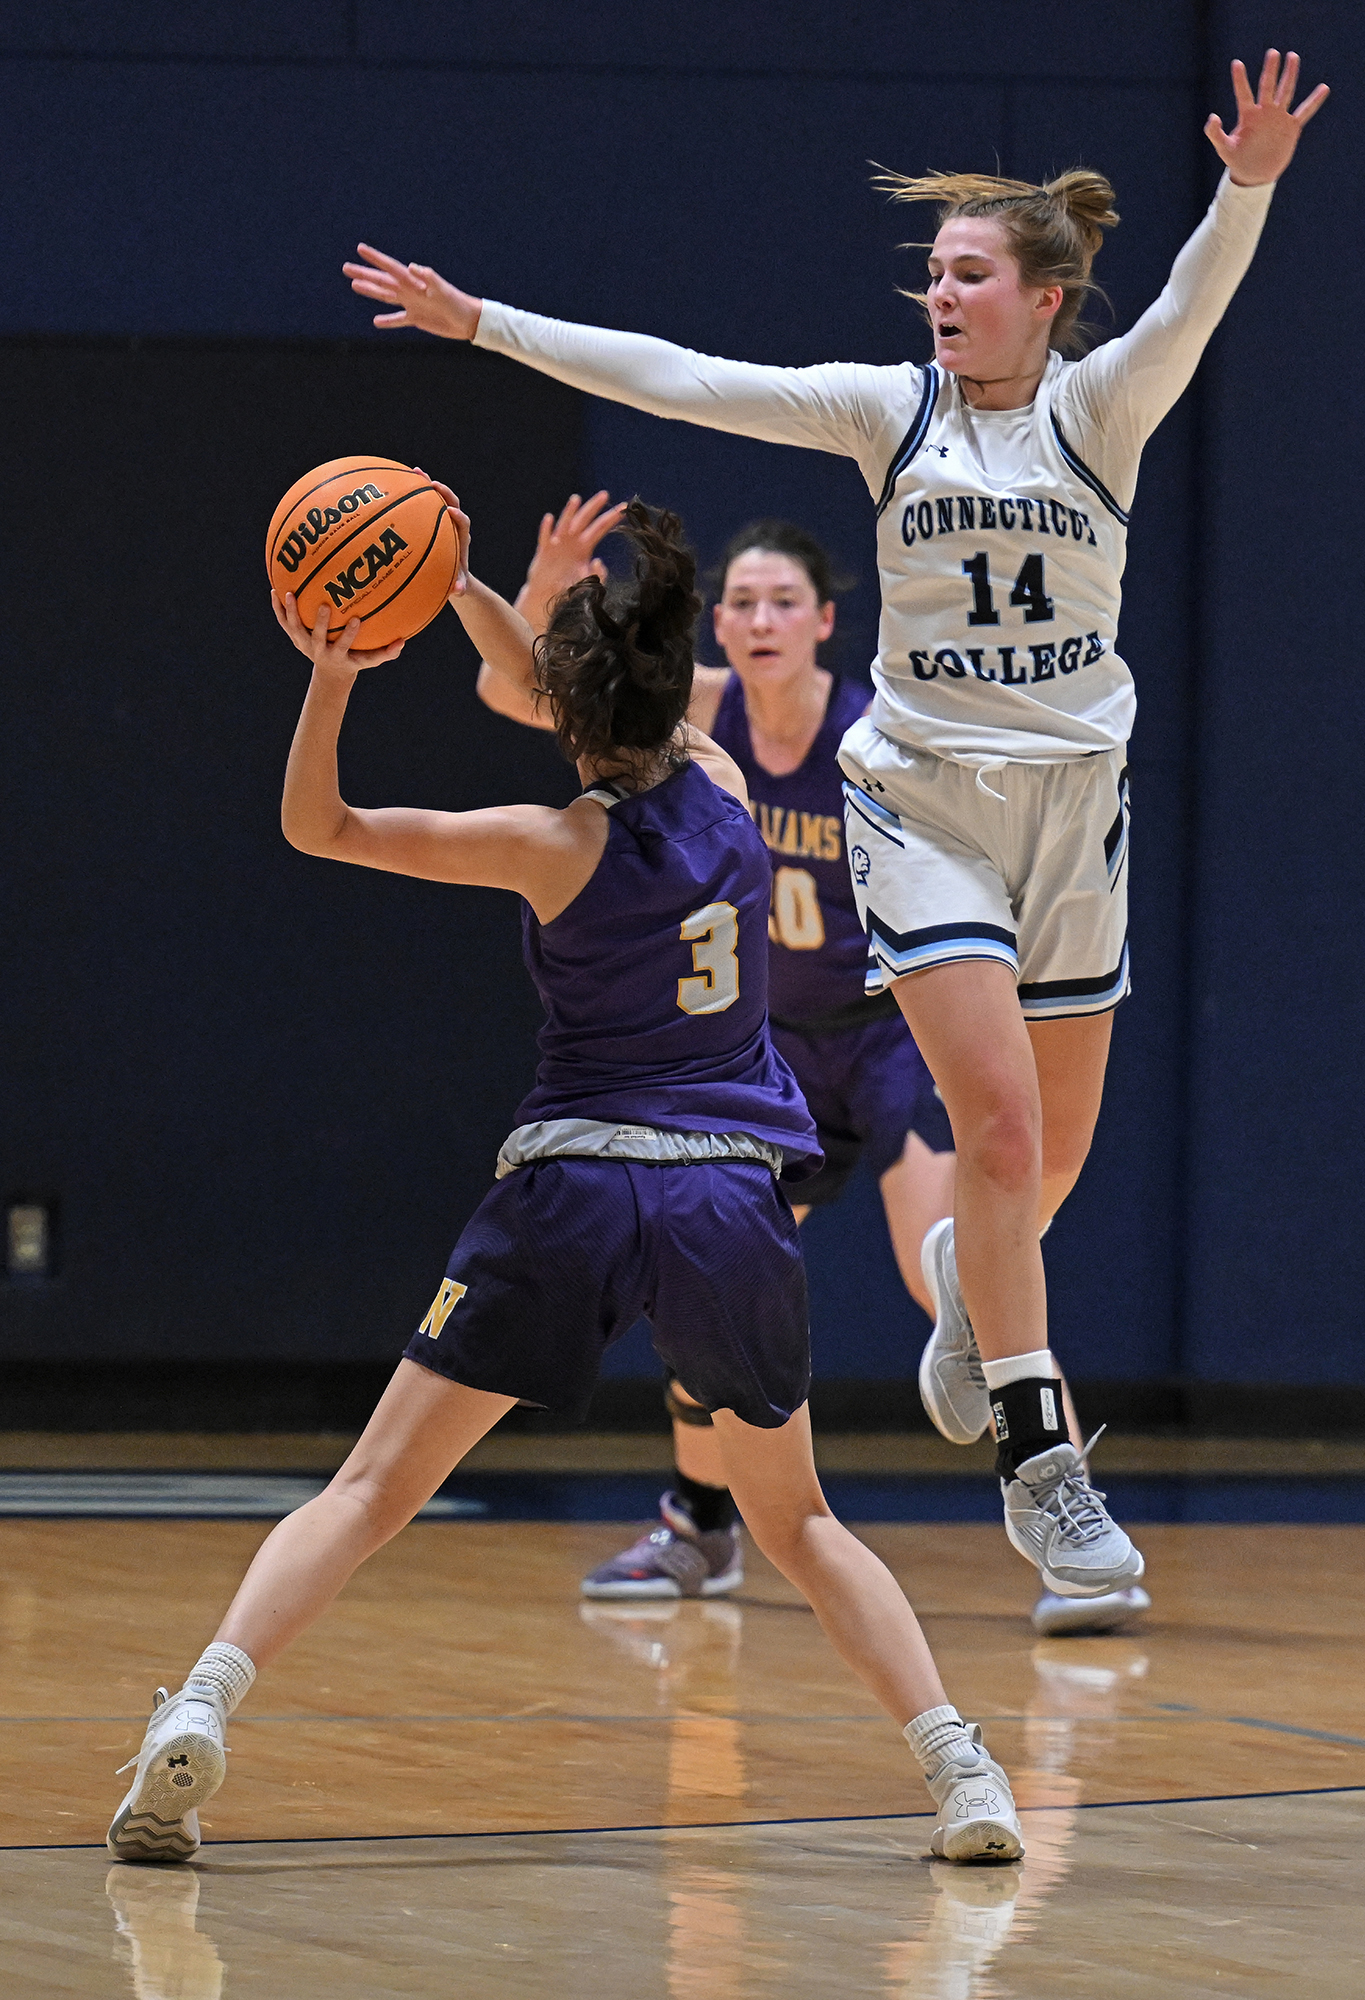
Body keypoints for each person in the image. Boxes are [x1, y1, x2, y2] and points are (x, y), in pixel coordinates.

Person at [343, 48, 1326, 1606]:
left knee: (1045, 1163)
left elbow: (1199, 296)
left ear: (1044, 298)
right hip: (925, 801)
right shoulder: (890, 414)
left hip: (1077, 810)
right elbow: (679, 371)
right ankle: (1041, 1456)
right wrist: (488, 326)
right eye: (930, 274)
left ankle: (961, 1302)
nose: (940, 296)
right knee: (997, 1131)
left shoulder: (1106, 410)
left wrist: (1251, 181)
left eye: (970, 275)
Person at [105, 495, 1023, 1867]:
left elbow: (323, 825)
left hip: (574, 1189)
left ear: (566, 717)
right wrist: (480, 591)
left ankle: (203, 1705)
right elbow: (575, 681)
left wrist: (336, 673)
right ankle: (966, 1778)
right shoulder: (726, 787)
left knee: (365, 1493)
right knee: (805, 1526)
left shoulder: (546, 845)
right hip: (728, 1195)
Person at [485, 496, 1145, 1635]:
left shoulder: (876, 723)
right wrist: (535, 597)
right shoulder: (694, 714)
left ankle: (1057, 1508)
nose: (756, 617)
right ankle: (699, 1521)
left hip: (887, 1036)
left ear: (827, 621)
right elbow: (529, 691)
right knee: (706, 1289)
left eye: (780, 599)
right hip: (759, 1050)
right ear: (717, 626)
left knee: (971, 1271)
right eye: (737, 601)